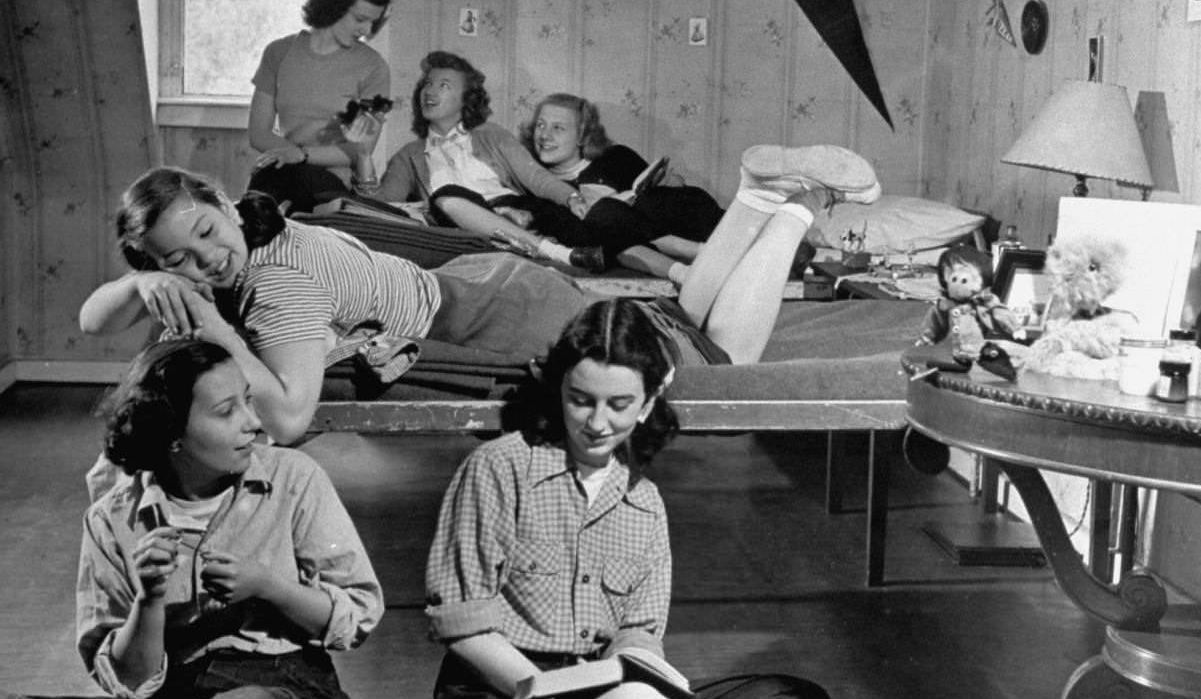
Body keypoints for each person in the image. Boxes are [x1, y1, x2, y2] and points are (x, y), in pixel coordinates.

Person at [423, 299, 934, 699]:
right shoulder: (497, 468)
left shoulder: (644, 504)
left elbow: (640, 631)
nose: (596, 422)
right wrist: (552, 686)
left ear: (648, 401)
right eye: (580, 399)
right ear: (557, 388)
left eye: (619, 405)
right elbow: (462, 624)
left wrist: (635, 662)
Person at [79, 144, 881, 445]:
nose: (208, 262)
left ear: (223, 204)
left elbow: (286, 418)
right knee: (683, 320)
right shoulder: (263, 224)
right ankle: (753, 192)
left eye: (207, 236)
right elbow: (92, 319)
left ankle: (796, 207)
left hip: (497, 309)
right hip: (486, 284)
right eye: (181, 259)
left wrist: (217, 331)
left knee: (716, 359)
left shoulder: (275, 284)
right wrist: (141, 280)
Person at [0, 339, 384, 699]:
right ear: (171, 432)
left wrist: (270, 587)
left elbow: (358, 614)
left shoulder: (293, 478)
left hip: (286, 696)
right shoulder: (112, 517)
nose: (254, 423)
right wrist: (150, 601)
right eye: (227, 411)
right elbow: (127, 681)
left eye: (248, 402)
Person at [352, 53, 605, 273]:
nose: (430, 91)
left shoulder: (492, 135)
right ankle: (547, 248)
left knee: (590, 231)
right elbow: (382, 209)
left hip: (520, 207)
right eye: (428, 84)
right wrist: (363, 155)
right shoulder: (409, 155)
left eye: (444, 85)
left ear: (466, 99)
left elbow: (535, 178)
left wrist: (572, 198)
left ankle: (522, 232)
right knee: (446, 196)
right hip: (465, 223)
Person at [517, 92, 725, 282]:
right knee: (604, 213)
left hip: (670, 224)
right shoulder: (536, 186)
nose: (544, 135)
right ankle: (700, 255)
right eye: (540, 125)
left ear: (582, 136)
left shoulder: (616, 157)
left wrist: (668, 182)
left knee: (676, 197)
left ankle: (729, 246)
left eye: (558, 128)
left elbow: (659, 191)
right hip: (633, 251)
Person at [248, 0, 395, 213]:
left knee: (280, 188)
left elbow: (360, 149)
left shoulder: (374, 67)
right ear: (333, 6)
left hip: (332, 183)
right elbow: (258, 134)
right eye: (360, 19)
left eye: (373, 22)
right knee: (264, 193)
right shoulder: (278, 52)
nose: (367, 31)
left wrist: (301, 155)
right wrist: (290, 155)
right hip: (281, 169)